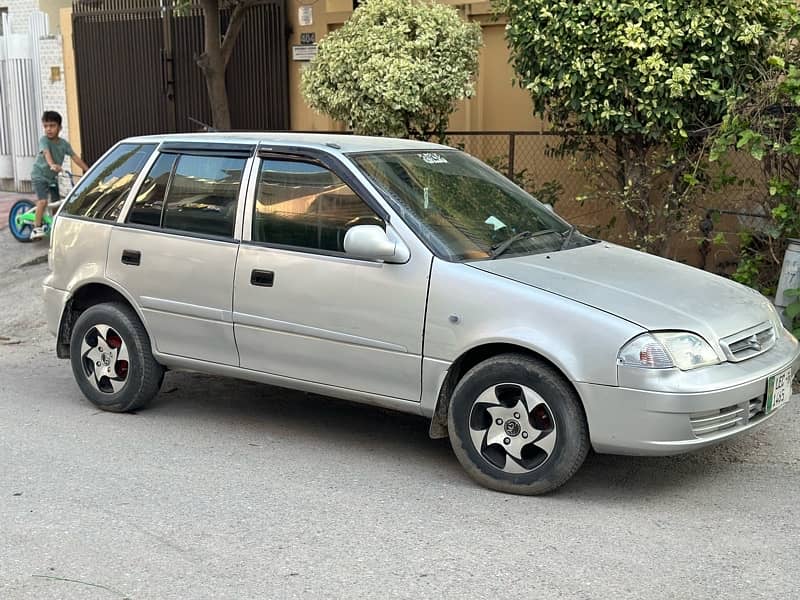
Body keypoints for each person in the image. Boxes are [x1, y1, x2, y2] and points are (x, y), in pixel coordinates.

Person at [29, 111, 89, 240]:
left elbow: (75, 158)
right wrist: (52, 164)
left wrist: (88, 170)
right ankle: (36, 227)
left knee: (58, 203)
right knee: (43, 201)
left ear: (60, 128)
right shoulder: (44, 140)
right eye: (46, 126)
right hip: (39, 175)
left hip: (52, 178)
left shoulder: (64, 144)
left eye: (52, 125)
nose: (48, 129)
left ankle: (55, 225)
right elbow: (46, 153)